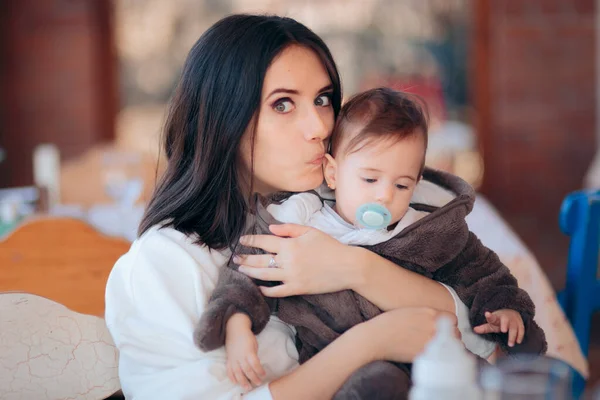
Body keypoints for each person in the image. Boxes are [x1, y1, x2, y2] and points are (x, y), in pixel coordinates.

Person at [106, 14, 482, 400]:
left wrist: (356, 268)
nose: (319, 126)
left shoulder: (360, 202)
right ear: (223, 117)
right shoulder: (165, 261)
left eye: (322, 99)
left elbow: (479, 331)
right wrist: (369, 344)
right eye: (283, 104)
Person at [194, 88, 546, 399]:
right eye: (369, 178)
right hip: (344, 365)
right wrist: (237, 327)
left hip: (433, 358)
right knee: (377, 387)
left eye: (402, 185)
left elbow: (483, 272)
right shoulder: (301, 218)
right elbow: (246, 271)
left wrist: (506, 308)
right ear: (333, 173)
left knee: (490, 383)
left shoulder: (428, 230)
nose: (384, 196)